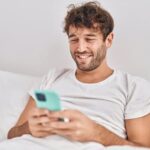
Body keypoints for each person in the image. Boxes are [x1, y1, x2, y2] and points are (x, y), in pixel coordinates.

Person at [2, 1, 150, 149]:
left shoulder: (133, 87)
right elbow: (12, 134)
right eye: (74, 39)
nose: (80, 48)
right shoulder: (53, 77)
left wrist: (96, 132)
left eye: (89, 39)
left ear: (109, 40)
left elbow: (142, 147)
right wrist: (28, 128)